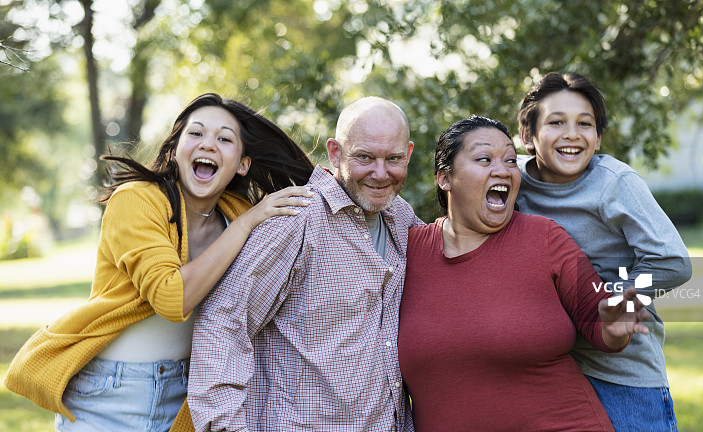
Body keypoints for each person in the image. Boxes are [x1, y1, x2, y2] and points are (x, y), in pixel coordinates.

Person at [4, 93, 315, 432]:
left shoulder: (237, 214)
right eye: (195, 134)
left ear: (242, 163)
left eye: (224, 138)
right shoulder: (137, 200)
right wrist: (246, 225)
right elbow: (172, 298)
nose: (208, 144)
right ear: (176, 149)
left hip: (182, 395)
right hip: (107, 394)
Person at [397, 115, 651, 431]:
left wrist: (615, 325)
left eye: (509, 160)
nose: (502, 170)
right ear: (445, 179)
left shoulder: (544, 237)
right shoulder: (406, 251)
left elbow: (598, 322)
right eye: (484, 159)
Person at [188, 96, 421, 431]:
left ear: (408, 154)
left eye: (393, 158)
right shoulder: (295, 220)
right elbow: (223, 324)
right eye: (365, 157)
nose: (380, 173)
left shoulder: (401, 217)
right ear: (335, 152)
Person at [516, 72, 692, 431]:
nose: (572, 134)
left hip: (621, 373)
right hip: (551, 368)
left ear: (597, 139)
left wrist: (615, 300)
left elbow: (673, 262)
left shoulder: (615, 184)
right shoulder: (512, 179)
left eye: (585, 124)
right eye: (556, 122)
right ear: (528, 136)